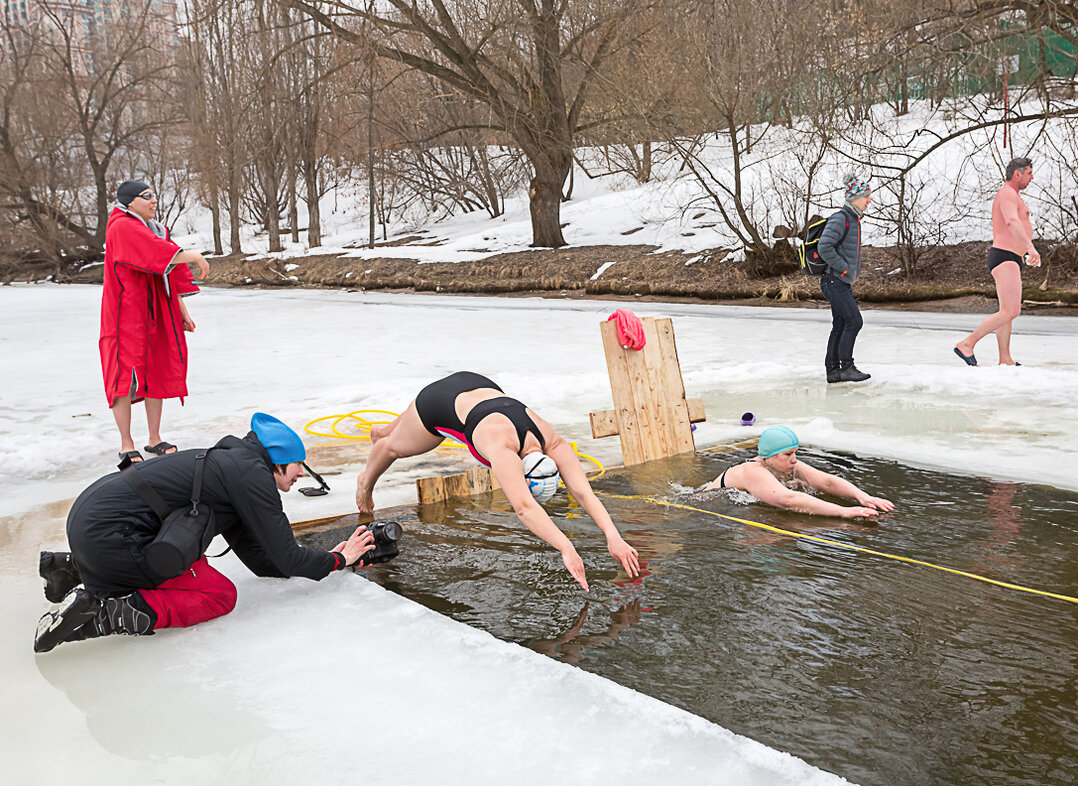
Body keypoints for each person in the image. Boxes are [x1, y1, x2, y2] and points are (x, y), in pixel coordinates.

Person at [33, 413, 376, 653]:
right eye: (298, 463)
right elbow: (287, 555)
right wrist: (338, 559)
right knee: (219, 595)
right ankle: (105, 611)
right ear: (278, 460)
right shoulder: (252, 479)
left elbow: (266, 561)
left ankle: (73, 567)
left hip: (91, 523)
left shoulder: (231, 465)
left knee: (184, 554)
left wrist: (333, 560)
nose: (301, 473)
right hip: (109, 536)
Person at [356, 371, 640, 591]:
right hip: (440, 403)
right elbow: (525, 508)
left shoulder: (552, 442)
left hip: (477, 385)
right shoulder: (503, 450)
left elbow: (584, 493)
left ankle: (382, 430)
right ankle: (365, 479)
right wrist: (567, 548)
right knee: (394, 447)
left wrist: (613, 537)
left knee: (409, 422)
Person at [101, 180, 212, 464]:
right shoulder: (122, 226)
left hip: (155, 311)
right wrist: (194, 256)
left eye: (154, 196)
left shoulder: (154, 229)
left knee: (156, 369)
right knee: (124, 376)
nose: (153, 202)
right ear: (129, 202)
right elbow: (157, 254)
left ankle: (155, 438)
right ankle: (127, 443)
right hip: (125, 315)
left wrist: (181, 310)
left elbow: (164, 272)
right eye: (146, 197)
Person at [954, 158, 1039, 367]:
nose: (1032, 177)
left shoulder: (1012, 195)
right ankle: (967, 343)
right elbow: (1011, 222)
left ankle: (1005, 358)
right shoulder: (1007, 194)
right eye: (1029, 173)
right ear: (1017, 174)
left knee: (1006, 311)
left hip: (1010, 257)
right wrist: (1030, 247)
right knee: (1011, 311)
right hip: (1004, 255)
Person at [705, 425, 893, 518]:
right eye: (788, 454)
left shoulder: (783, 462)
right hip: (705, 509)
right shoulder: (753, 471)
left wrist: (863, 497)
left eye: (795, 453)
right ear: (769, 456)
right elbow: (789, 500)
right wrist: (843, 511)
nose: (794, 460)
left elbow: (826, 482)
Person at [818, 174, 873, 383]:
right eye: (866, 196)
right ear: (854, 198)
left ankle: (833, 371)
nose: (869, 200)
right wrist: (844, 269)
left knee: (841, 324)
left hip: (838, 281)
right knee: (854, 321)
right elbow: (824, 247)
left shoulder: (853, 219)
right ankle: (846, 366)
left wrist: (847, 274)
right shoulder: (841, 218)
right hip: (834, 281)